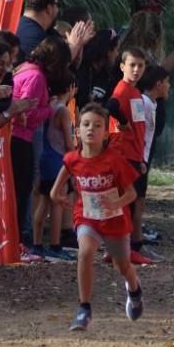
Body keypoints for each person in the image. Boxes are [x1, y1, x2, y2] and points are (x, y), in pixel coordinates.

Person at [50, 103, 144, 332]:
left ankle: (134, 289)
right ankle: (84, 308)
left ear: (105, 133)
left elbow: (131, 193)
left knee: (122, 265)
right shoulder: (73, 159)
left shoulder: (114, 161)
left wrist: (116, 203)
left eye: (97, 125)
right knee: (85, 252)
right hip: (87, 217)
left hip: (114, 220)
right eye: (86, 124)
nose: (91, 129)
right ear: (78, 130)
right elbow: (60, 181)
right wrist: (56, 194)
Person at [10, 37, 71, 258]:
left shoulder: (24, 69)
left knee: (30, 193)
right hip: (20, 139)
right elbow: (25, 112)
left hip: (18, 138)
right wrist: (49, 108)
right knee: (23, 192)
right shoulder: (36, 77)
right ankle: (20, 242)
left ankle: (24, 241)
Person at [106, 47, 152, 265]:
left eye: (140, 66)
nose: (136, 70)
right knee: (128, 204)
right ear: (122, 66)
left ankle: (115, 249)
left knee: (126, 205)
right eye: (132, 65)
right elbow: (111, 105)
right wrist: (122, 122)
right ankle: (126, 250)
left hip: (134, 155)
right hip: (124, 156)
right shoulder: (123, 90)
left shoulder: (134, 92)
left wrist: (141, 158)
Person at [33, 74, 76, 262]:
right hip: (58, 160)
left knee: (44, 200)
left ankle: (36, 243)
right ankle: (55, 245)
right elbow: (68, 141)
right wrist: (75, 159)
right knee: (58, 201)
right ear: (71, 88)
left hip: (44, 156)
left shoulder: (48, 105)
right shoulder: (63, 111)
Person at [135, 64, 171, 263]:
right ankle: (133, 246)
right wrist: (139, 159)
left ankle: (136, 244)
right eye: (167, 83)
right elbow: (138, 133)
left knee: (139, 202)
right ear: (158, 84)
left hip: (143, 159)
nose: (169, 87)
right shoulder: (144, 104)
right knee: (136, 203)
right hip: (138, 160)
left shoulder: (151, 103)